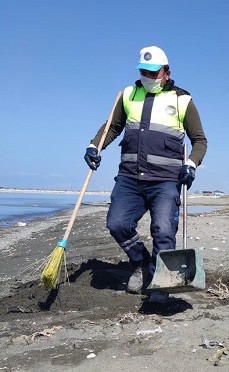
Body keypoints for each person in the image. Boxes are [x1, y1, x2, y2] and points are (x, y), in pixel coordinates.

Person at [84, 46, 207, 302]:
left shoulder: (182, 99)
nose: (148, 77)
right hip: (129, 178)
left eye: (154, 72)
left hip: (165, 181)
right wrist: (94, 146)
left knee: (163, 230)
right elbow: (112, 127)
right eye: (144, 72)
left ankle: (162, 286)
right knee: (117, 224)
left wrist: (192, 164)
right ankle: (142, 263)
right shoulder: (128, 95)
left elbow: (199, 140)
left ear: (167, 72)